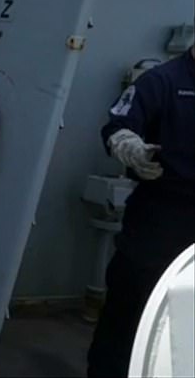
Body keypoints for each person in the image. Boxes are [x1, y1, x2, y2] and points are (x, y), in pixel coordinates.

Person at [87, 29, 195, 378]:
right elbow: (117, 126)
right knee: (127, 320)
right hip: (159, 222)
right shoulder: (162, 81)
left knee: (185, 329)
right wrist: (131, 149)